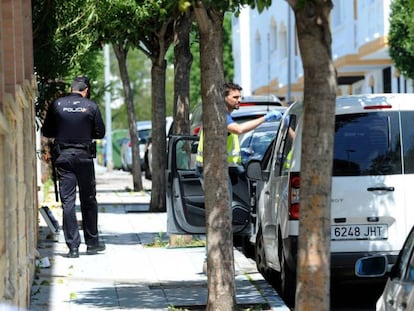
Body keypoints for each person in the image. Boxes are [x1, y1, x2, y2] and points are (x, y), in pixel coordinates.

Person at [195, 82, 282, 272]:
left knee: (221, 215)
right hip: (213, 171)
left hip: (222, 169)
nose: (239, 100)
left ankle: (214, 259)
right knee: (220, 216)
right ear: (224, 97)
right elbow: (238, 130)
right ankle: (215, 261)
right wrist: (265, 118)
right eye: (235, 97)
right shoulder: (221, 115)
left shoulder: (223, 114)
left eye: (240, 97)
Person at [42, 76, 106, 258]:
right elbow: (100, 132)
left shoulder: (58, 105)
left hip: (63, 158)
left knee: (68, 202)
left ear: (72, 88)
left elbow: (47, 131)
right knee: (89, 199)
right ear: (85, 90)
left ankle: (73, 248)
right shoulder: (91, 106)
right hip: (84, 157)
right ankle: (92, 244)